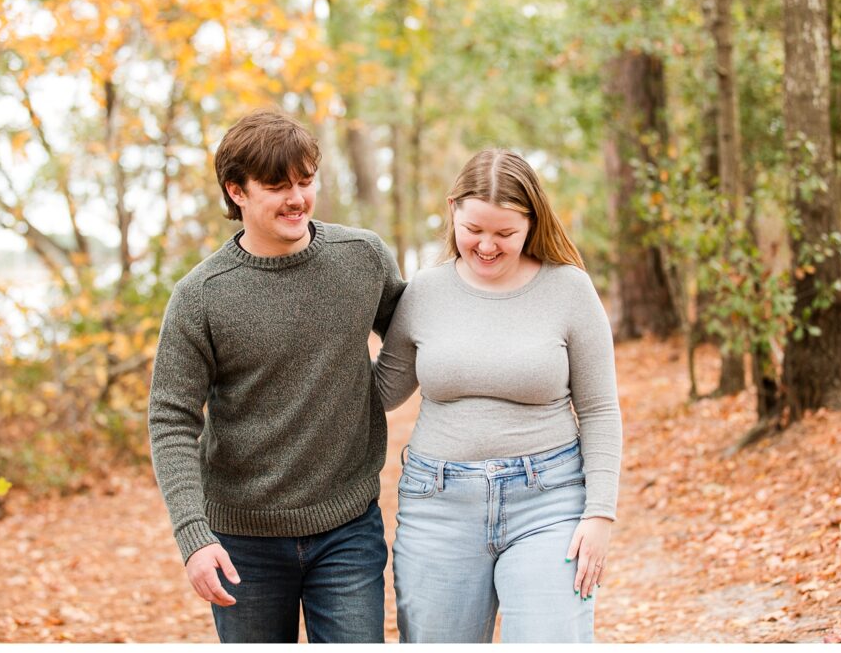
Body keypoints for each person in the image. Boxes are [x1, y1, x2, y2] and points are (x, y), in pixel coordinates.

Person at [148, 109, 406, 643]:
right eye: (276, 186)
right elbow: (171, 421)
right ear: (236, 191)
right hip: (243, 541)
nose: (297, 198)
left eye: (305, 181)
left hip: (348, 527)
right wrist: (194, 537)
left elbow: (417, 334)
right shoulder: (200, 297)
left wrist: (376, 392)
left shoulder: (361, 258)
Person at [374, 148, 622, 643]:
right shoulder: (424, 292)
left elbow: (599, 409)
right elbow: (381, 393)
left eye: (504, 233)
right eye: (474, 230)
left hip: (549, 502)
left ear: (532, 223)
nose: (486, 246)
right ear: (452, 211)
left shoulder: (569, 290)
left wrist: (599, 513)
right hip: (437, 504)